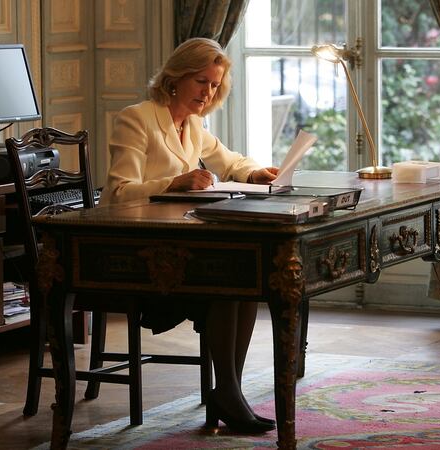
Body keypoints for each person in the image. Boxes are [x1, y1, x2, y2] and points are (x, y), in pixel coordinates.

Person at [99, 37, 277, 434]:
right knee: (226, 283)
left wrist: (255, 173)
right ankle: (228, 394)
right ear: (175, 78)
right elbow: (116, 192)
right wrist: (175, 182)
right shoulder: (137, 118)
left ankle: (229, 390)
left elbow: (229, 160)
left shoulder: (194, 125)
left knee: (243, 282)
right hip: (142, 253)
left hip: (181, 244)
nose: (207, 92)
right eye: (201, 81)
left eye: (214, 85)